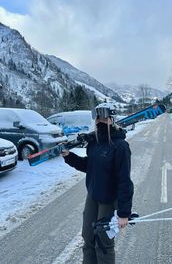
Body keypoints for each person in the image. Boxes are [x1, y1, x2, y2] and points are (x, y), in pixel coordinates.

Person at [62, 102, 134, 264]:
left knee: (103, 242)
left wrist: (124, 213)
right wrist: (69, 156)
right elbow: (89, 166)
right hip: (93, 195)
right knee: (88, 237)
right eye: (97, 117)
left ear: (112, 119)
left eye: (104, 117)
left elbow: (125, 181)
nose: (100, 121)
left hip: (108, 199)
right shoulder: (94, 143)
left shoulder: (120, 146)